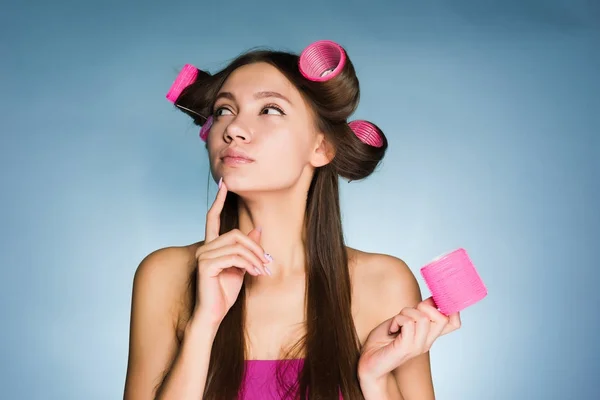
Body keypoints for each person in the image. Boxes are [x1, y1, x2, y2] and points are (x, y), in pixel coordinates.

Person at [123, 40, 461, 400]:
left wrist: (375, 379)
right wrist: (204, 325)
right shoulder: (165, 275)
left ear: (321, 147)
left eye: (269, 109)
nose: (234, 128)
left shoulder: (383, 284)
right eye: (224, 110)